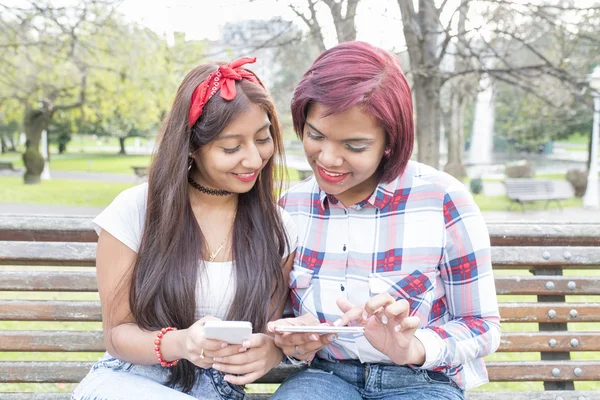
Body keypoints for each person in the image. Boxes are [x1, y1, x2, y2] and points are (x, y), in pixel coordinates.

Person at [268, 41, 501, 400]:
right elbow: (280, 316)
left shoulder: (442, 200)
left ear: (390, 142)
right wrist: (295, 336)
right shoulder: (291, 207)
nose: (327, 158)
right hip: (326, 377)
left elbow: (482, 326)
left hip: (421, 381)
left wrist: (413, 348)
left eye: (354, 146)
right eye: (315, 135)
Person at [72, 57, 297, 400]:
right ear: (192, 146)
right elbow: (117, 333)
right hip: (128, 382)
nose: (253, 159)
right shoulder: (136, 211)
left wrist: (271, 348)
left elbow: (269, 327)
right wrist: (182, 343)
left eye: (263, 139)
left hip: (218, 390)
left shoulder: (278, 228)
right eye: (231, 147)